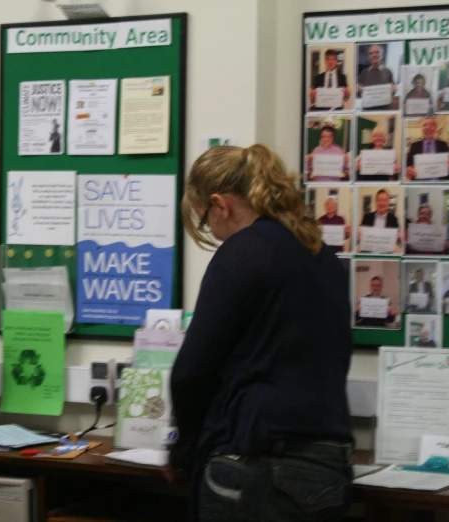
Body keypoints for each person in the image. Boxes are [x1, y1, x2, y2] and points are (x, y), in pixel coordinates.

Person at [170, 144, 354, 522]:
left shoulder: (243, 251)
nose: (213, 234)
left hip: (258, 463)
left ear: (220, 204)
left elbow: (193, 369)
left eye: (206, 221)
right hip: (327, 463)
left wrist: (183, 448)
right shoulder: (323, 255)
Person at [405, 117, 449, 182]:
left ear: (436, 128)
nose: (428, 127)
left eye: (432, 124)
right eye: (425, 125)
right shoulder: (414, 146)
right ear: (421, 128)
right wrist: (408, 169)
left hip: (439, 184)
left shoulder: (443, 145)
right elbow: (407, 164)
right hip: (420, 184)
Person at [358, 188, 401, 253]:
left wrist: (399, 237)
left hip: (386, 257)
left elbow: (396, 240)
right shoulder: (366, 217)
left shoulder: (394, 219)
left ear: (389, 202)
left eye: (384, 200)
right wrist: (359, 236)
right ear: (376, 201)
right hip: (368, 255)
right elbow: (361, 238)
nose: (381, 203)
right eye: (379, 200)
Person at [357, 44, 396, 111]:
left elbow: (392, 92)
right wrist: (358, 90)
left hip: (384, 110)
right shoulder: (364, 72)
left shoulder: (388, 71)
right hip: (367, 111)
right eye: (371, 53)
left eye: (377, 52)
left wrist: (393, 90)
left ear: (382, 55)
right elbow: (359, 95)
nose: (374, 55)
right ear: (369, 57)